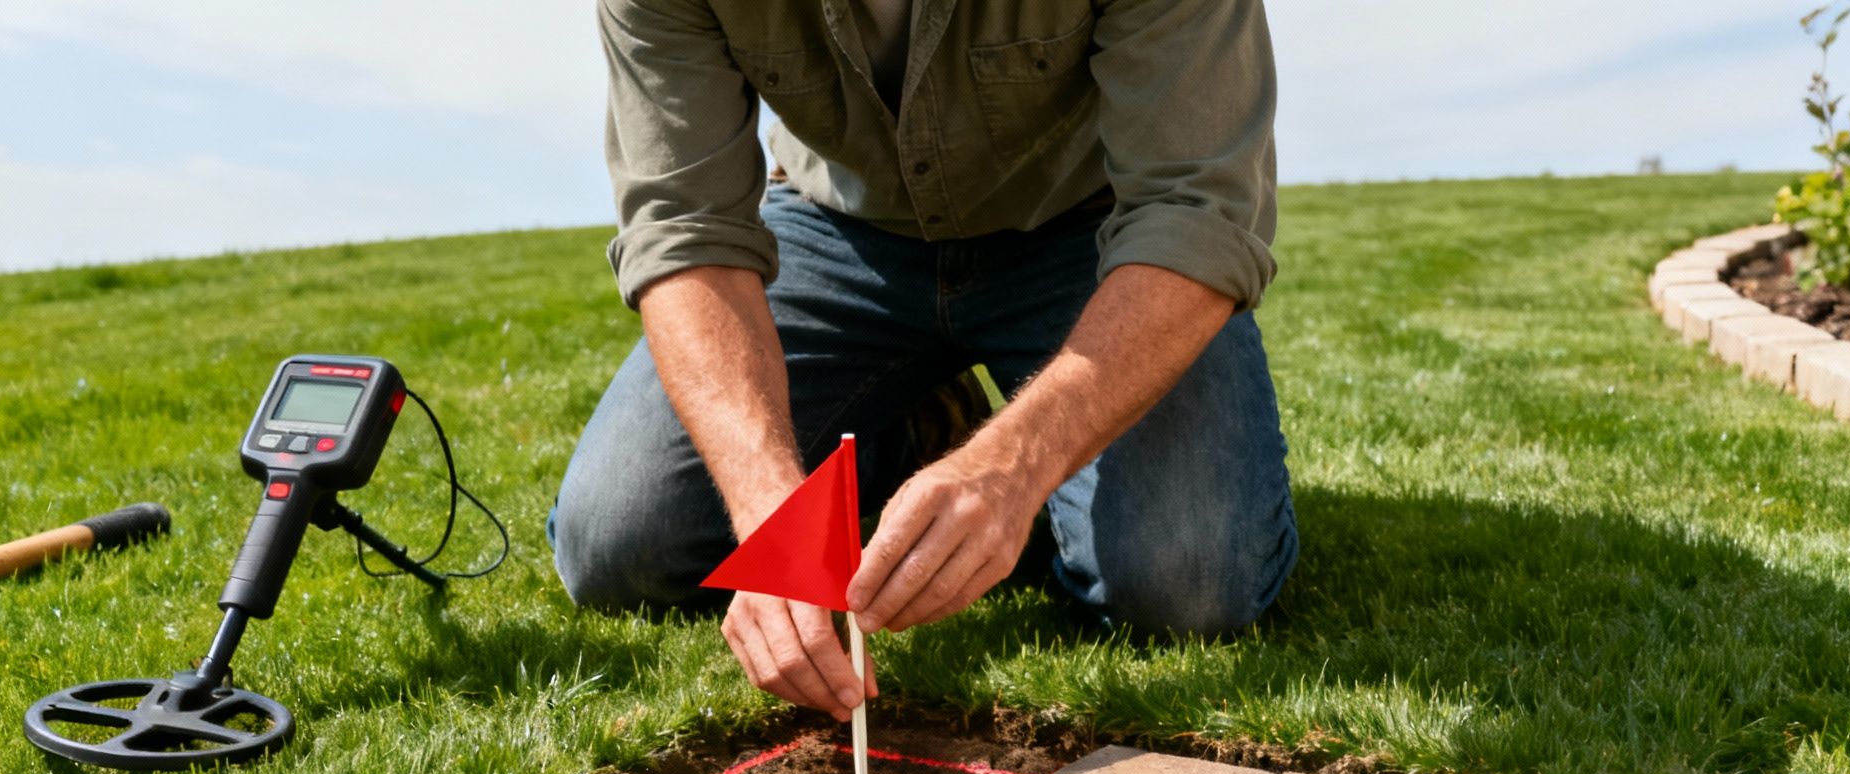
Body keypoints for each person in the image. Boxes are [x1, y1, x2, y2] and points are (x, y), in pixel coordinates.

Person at [550, 0, 1296, 724]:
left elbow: (1194, 214)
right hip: (840, 232)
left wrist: (1012, 468)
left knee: (1184, 584)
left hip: (1093, 240)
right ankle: (919, 427)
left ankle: (993, 459)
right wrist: (778, 522)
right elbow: (685, 233)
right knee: (619, 545)